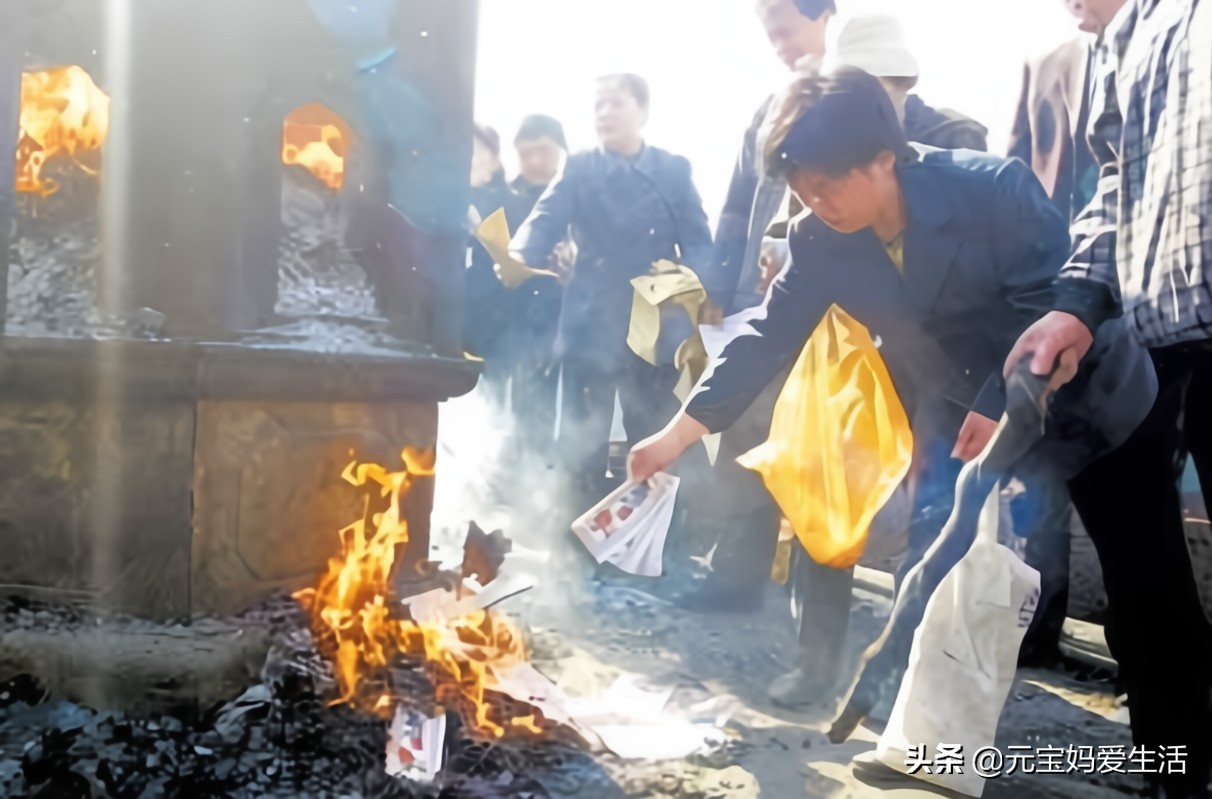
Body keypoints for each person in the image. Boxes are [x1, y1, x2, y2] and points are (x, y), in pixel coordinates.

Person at [628, 67, 1154, 719]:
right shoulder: (819, 238)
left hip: (1091, 401)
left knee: (1143, 579)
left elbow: (1048, 305)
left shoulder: (992, 190)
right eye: (801, 191)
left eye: (826, 187)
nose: (815, 204)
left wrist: (998, 402)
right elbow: (765, 335)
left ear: (884, 158)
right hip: (957, 402)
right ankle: (913, 716)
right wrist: (676, 434)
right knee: (931, 541)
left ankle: (1179, 758)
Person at [1004, 0, 1212, 794]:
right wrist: (1076, 303)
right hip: (1154, 332)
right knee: (1136, 558)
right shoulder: (1127, 36)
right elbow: (1117, 181)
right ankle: (1177, 765)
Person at [510, 73, 715, 530]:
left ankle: (649, 545)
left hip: (656, 326)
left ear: (642, 111)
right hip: (591, 326)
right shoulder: (580, 168)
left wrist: (703, 290)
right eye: (598, 105)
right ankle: (581, 547)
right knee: (585, 445)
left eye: (615, 103)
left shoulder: (672, 170)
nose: (603, 113)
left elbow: (700, 242)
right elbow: (543, 219)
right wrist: (519, 256)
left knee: (652, 438)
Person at [1003, 0, 1128, 666]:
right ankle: (1037, 625)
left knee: (1135, 479)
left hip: (1145, 303)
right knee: (1041, 468)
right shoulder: (1046, 63)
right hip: (1053, 296)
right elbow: (1015, 171)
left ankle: (1140, 650)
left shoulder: (1181, 51)